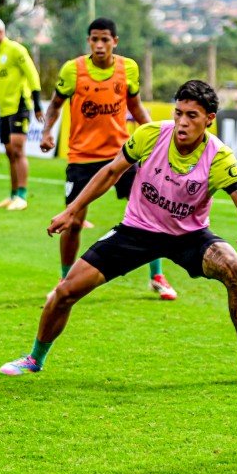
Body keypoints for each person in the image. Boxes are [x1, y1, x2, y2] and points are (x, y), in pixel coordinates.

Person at [0, 80, 237, 385]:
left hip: (189, 237)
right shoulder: (150, 135)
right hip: (137, 231)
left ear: (210, 119)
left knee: (234, 267)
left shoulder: (219, 156)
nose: (182, 122)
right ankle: (34, 358)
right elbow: (110, 172)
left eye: (192, 116)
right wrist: (71, 211)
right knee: (66, 291)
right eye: (179, 113)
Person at [39, 17, 178, 300]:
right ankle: (65, 279)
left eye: (105, 39)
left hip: (121, 155)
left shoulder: (128, 68)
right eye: (94, 39)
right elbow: (55, 105)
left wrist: (156, 139)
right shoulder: (73, 70)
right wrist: (46, 133)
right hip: (81, 157)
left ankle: (157, 276)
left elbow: (136, 107)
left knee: (150, 215)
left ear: (115, 41)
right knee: (73, 221)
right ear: (88, 41)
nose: (99, 45)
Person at [0, 18, 43, 211]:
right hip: (4, 110)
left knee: (17, 150)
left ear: (1, 32)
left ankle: (23, 195)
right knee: (9, 153)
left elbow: (32, 74)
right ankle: (13, 194)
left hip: (20, 105)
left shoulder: (16, 50)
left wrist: (38, 103)